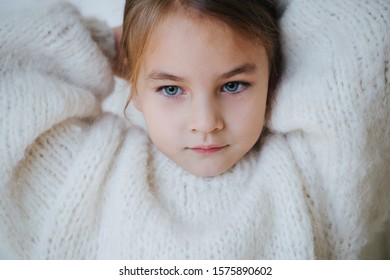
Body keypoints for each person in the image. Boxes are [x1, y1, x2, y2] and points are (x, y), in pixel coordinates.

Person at [0, 0, 389, 259]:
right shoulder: (86, 177)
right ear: (134, 86)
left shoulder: (315, 177)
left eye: (233, 85)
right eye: (171, 88)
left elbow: (372, 33)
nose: (206, 123)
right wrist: (117, 42)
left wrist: (277, 42)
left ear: (275, 76)